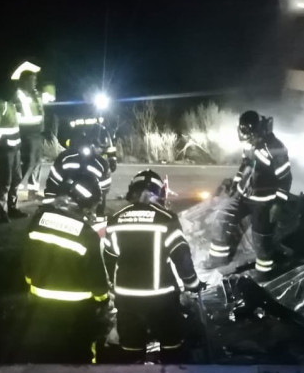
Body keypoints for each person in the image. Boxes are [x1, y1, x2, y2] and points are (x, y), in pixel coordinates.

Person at [103, 169, 203, 357]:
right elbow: (181, 256)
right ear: (159, 193)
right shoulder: (166, 219)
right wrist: (192, 283)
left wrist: (112, 287)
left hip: (127, 298)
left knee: (131, 349)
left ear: (132, 190)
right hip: (162, 299)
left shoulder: (116, 219)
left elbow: (109, 257)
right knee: (172, 346)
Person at [21, 174, 111, 362]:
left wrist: (30, 283)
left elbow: (27, 259)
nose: (92, 211)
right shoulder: (86, 234)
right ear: (84, 202)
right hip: (77, 309)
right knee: (80, 353)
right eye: (92, 205)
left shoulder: (39, 219)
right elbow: (97, 280)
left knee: (44, 351)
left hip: (40, 301)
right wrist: (103, 301)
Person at [208, 110, 291, 276]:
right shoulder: (249, 144)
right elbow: (245, 165)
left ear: (258, 131)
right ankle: (218, 261)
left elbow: (286, 178)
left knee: (261, 241)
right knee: (222, 217)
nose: (248, 141)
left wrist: (278, 203)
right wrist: (236, 184)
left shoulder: (276, 148)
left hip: (263, 202)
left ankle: (264, 273)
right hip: (243, 196)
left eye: (250, 136)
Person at [44, 125, 116, 214]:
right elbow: (102, 193)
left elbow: (51, 185)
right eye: (100, 148)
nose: (102, 152)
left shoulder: (65, 157)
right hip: (67, 206)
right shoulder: (101, 165)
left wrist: (48, 207)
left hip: (69, 208)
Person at [0, 86, 24, 221]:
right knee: (5, 181)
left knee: (17, 178)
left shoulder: (12, 105)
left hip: (14, 149)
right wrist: (6, 142)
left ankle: (12, 208)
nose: (18, 95)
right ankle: (2, 212)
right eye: (16, 92)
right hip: (4, 150)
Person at [12, 61, 45, 196]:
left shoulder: (35, 94)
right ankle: (14, 187)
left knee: (37, 161)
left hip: (37, 132)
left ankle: (33, 189)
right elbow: (16, 116)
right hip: (26, 133)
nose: (35, 83)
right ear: (25, 81)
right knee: (28, 162)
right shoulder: (19, 95)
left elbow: (40, 111)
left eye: (35, 80)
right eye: (32, 80)